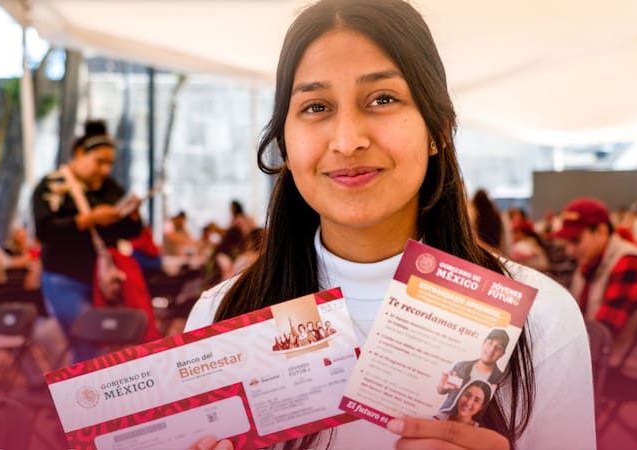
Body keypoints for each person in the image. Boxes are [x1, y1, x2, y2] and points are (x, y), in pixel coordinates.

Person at [187, 1, 595, 449]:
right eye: (316, 106)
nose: (347, 141)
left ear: (439, 127)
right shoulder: (220, 319)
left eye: (383, 99)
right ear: (284, 139)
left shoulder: (541, 320)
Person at [32, 120, 143, 363]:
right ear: (80, 153)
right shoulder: (52, 185)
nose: (105, 170)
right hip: (64, 277)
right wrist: (88, 219)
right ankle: (83, 397)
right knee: (88, 342)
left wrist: (132, 215)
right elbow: (44, 230)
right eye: (99, 161)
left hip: (103, 280)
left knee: (105, 343)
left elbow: (131, 231)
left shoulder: (110, 187)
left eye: (110, 163)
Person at [553, 197, 637, 337]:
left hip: (625, 358)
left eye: (576, 240)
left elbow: (603, 334)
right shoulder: (589, 263)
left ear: (601, 231)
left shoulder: (630, 264)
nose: (569, 250)